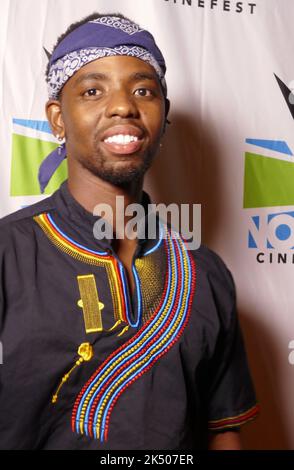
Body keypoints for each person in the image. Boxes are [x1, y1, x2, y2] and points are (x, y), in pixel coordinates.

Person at [0, 12, 259, 450]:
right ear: (58, 119)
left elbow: (223, 431)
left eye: (143, 90)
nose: (123, 106)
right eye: (92, 90)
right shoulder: (9, 254)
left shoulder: (206, 273)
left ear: (164, 114)